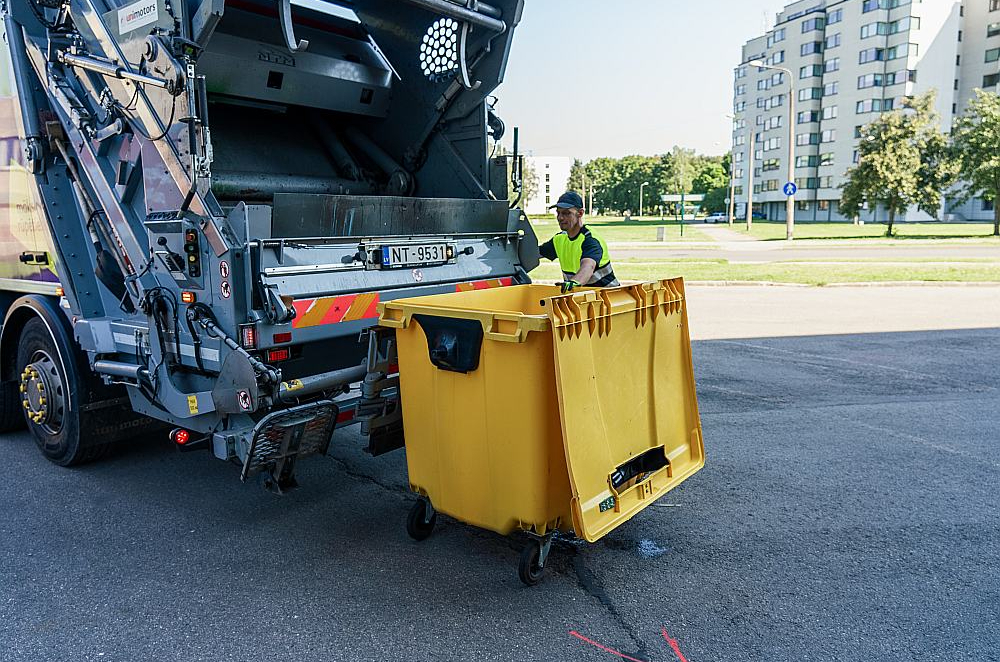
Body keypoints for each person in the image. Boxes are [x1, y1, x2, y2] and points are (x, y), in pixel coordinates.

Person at [538, 191, 619, 292]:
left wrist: (575, 282)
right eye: (558, 213)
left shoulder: (590, 240)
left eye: (566, 213)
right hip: (584, 299)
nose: (560, 217)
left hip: (611, 299)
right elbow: (534, 254)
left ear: (580, 213)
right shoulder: (559, 239)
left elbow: (588, 266)